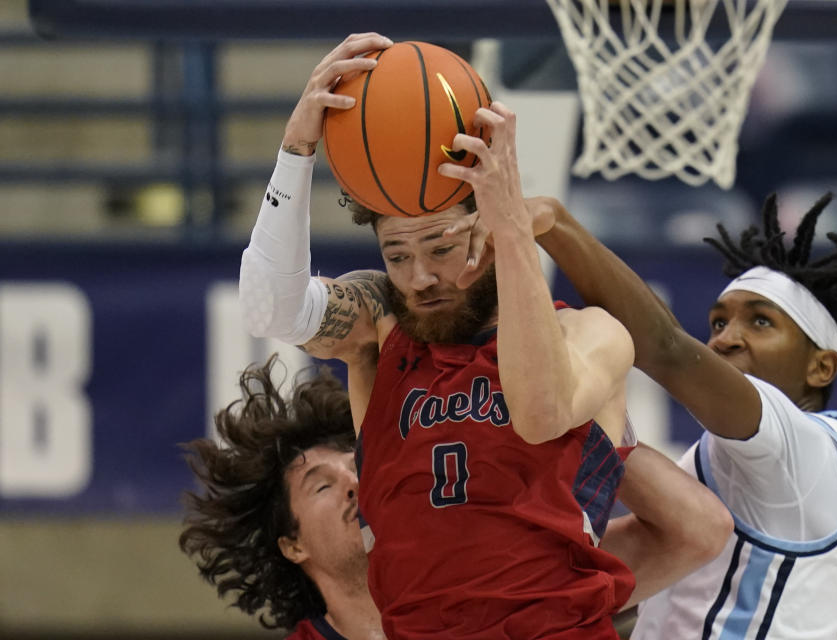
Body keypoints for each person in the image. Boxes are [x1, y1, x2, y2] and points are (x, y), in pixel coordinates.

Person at [238, 32, 731, 639]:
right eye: (396, 254)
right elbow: (271, 310)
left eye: (441, 246)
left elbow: (541, 409)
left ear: (488, 229)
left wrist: (516, 229)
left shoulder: (590, 334)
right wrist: (296, 148)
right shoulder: (381, 330)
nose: (419, 277)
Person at [478, 192, 837, 639]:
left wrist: (555, 224)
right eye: (719, 323)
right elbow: (631, 567)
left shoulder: (805, 449)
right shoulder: (721, 462)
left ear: (820, 367)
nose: (726, 339)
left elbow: (665, 348)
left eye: (760, 322)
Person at [179, 354, 384, 640]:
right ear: (293, 546)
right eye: (322, 486)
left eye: (358, 468)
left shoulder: (461, 603)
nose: (354, 483)